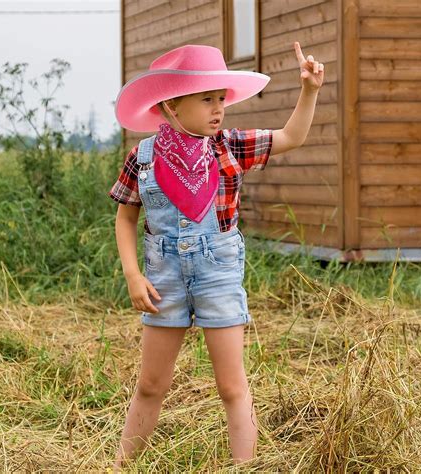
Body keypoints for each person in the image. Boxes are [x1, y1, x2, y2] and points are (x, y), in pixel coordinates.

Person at [109, 42, 324, 470]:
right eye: (206, 98)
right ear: (171, 104)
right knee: (151, 384)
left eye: (221, 98)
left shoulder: (230, 147)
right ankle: (120, 466)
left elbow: (291, 136)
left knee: (231, 386)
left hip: (218, 277)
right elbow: (125, 218)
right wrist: (133, 275)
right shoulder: (143, 157)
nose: (218, 108)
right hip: (164, 280)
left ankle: (243, 466)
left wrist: (309, 91)